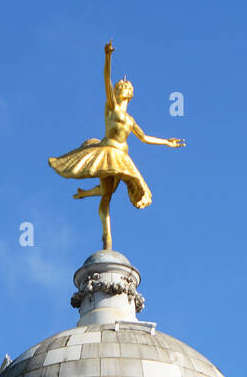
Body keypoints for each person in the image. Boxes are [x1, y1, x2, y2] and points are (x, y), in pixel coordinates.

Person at [48, 41, 185, 249]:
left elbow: (145, 137)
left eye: (127, 87)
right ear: (118, 90)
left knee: (109, 191)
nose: (125, 88)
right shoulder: (111, 108)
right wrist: (108, 56)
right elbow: (106, 78)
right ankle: (107, 234)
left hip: (122, 158)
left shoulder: (130, 120)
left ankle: (85, 193)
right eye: (122, 87)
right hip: (108, 153)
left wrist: (167, 142)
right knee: (107, 195)